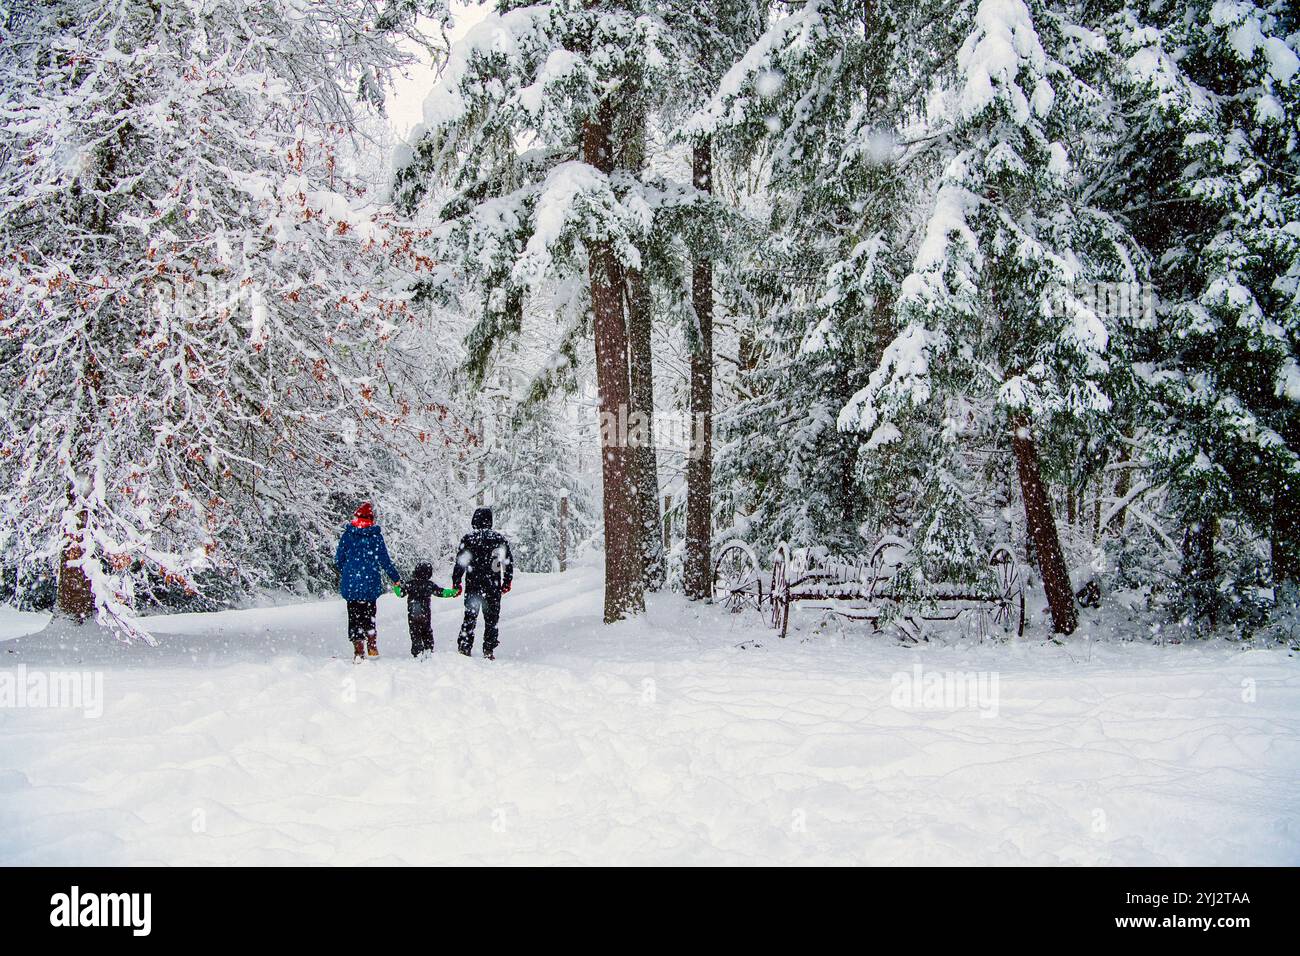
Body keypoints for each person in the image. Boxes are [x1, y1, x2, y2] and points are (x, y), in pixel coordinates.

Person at [335, 501, 402, 661]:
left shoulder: (348, 535)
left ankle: (358, 650)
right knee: (369, 614)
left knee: (354, 616)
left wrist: (349, 570)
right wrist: (396, 579)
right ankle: (371, 645)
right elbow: (385, 561)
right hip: (369, 582)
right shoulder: (375, 537)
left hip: (351, 584)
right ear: (371, 519)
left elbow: (338, 559)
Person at [450, 507, 514, 660]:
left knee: (470, 616)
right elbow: (507, 562)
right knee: (491, 619)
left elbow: (461, 563)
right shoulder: (499, 539)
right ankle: (489, 648)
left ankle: (465, 646)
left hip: (473, 584)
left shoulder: (469, 539)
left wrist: (456, 582)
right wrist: (507, 580)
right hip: (492, 584)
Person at [404, 562, 455, 658]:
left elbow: (400, 593)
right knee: (426, 630)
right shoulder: (429, 585)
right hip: (425, 614)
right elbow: (441, 592)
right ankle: (428, 648)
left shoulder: (410, 584)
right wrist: (453, 592)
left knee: (415, 632)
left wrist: (396, 586)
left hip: (412, 614)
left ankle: (417, 650)